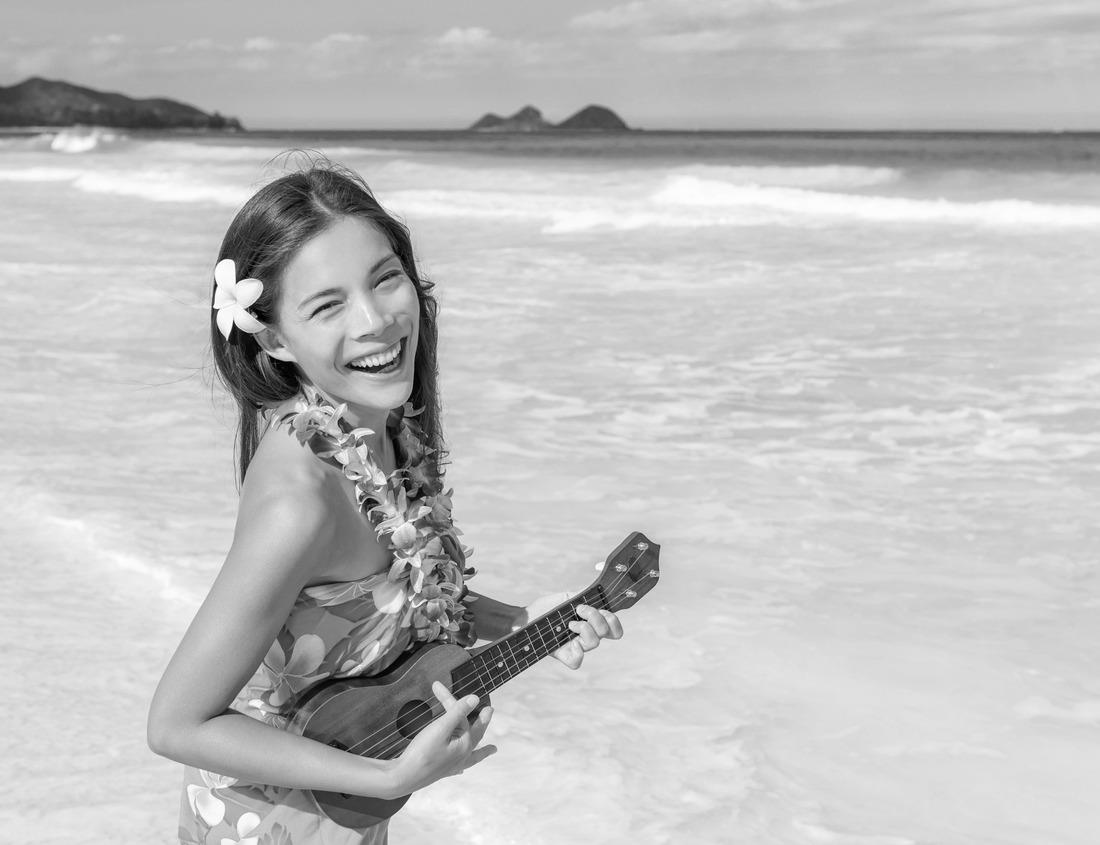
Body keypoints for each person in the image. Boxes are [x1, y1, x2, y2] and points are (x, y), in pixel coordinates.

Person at [147, 162, 624, 845]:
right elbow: (176, 724)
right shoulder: (297, 504)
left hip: (344, 806)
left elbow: (394, 597)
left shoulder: (384, 430)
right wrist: (389, 777)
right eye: (327, 305)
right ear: (274, 339)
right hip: (262, 823)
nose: (374, 321)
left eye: (384, 278)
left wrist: (524, 620)